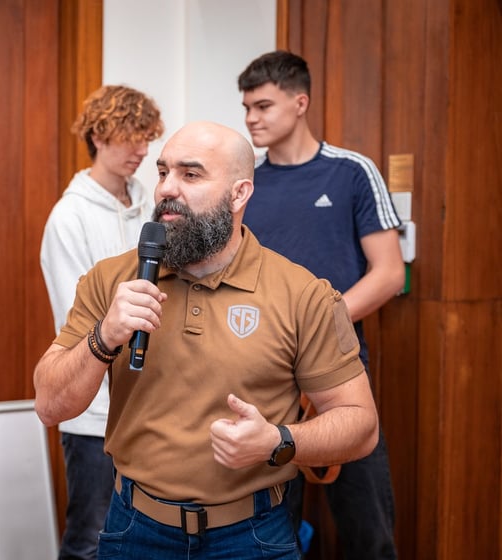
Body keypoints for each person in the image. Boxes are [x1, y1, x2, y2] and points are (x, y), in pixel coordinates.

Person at [33, 121, 380, 559]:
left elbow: (360, 425)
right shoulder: (111, 280)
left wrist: (278, 441)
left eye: (190, 174)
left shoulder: (302, 294)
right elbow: (50, 405)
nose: (166, 188)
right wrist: (103, 337)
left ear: (239, 194)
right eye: (163, 172)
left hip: (252, 536)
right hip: (134, 529)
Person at [239, 50, 404, 559]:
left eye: (263, 106)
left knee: (368, 527)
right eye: (246, 107)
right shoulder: (246, 183)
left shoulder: (352, 171)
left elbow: (389, 273)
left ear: (300, 102)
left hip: (338, 370)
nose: (251, 118)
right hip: (263, 371)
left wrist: (317, 324)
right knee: (270, 531)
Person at [39, 84, 164, 560]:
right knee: (90, 540)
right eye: (132, 136)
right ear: (98, 135)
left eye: (147, 137)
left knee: (143, 539)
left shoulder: (152, 208)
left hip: (150, 409)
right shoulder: (69, 217)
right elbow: (78, 319)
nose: (142, 149)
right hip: (93, 416)